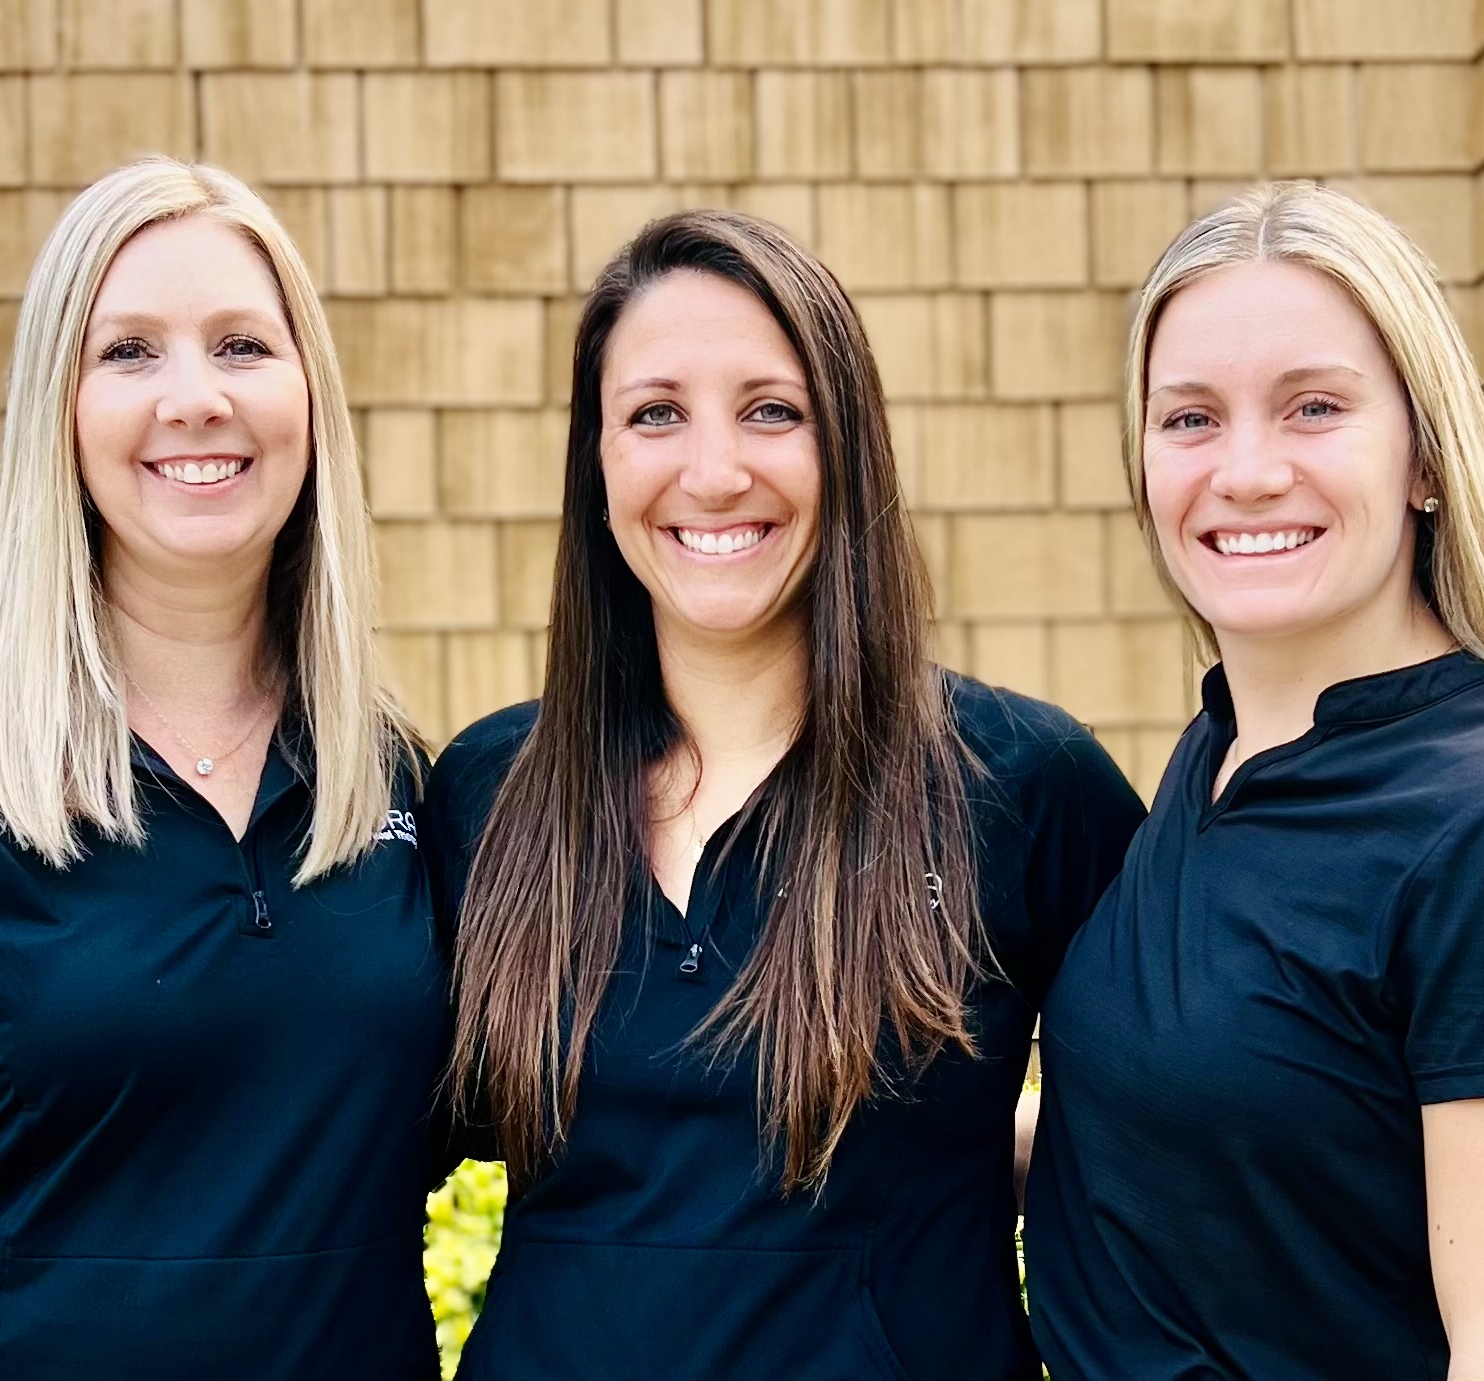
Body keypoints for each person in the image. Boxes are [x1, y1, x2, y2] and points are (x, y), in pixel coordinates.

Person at [0, 159, 450, 1379]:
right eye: (130, 351)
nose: (195, 397)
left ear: (310, 396)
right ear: (61, 403)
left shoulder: (390, 781)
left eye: (244, 346)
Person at [425, 209, 1145, 1380]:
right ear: (597, 461)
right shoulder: (486, 794)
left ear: (845, 447)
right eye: (655, 413)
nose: (714, 472)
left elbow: (1190, 1115)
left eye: (772, 410)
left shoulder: (1021, 783)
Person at [1022, 180, 1484, 1378]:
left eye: (1313, 407)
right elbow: (1207, 1144)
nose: (1247, 470)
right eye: (1189, 419)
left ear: (1426, 459)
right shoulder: (1223, 754)